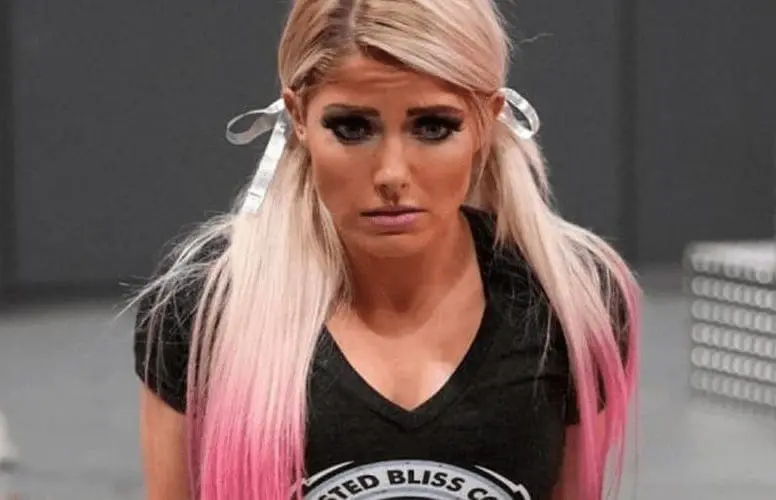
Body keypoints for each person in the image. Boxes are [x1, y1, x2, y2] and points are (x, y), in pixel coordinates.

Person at [132, 0, 640, 499]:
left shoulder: (571, 299)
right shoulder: (208, 305)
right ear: (298, 116)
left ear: (487, 120)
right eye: (353, 128)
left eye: (433, 127)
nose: (392, 174)